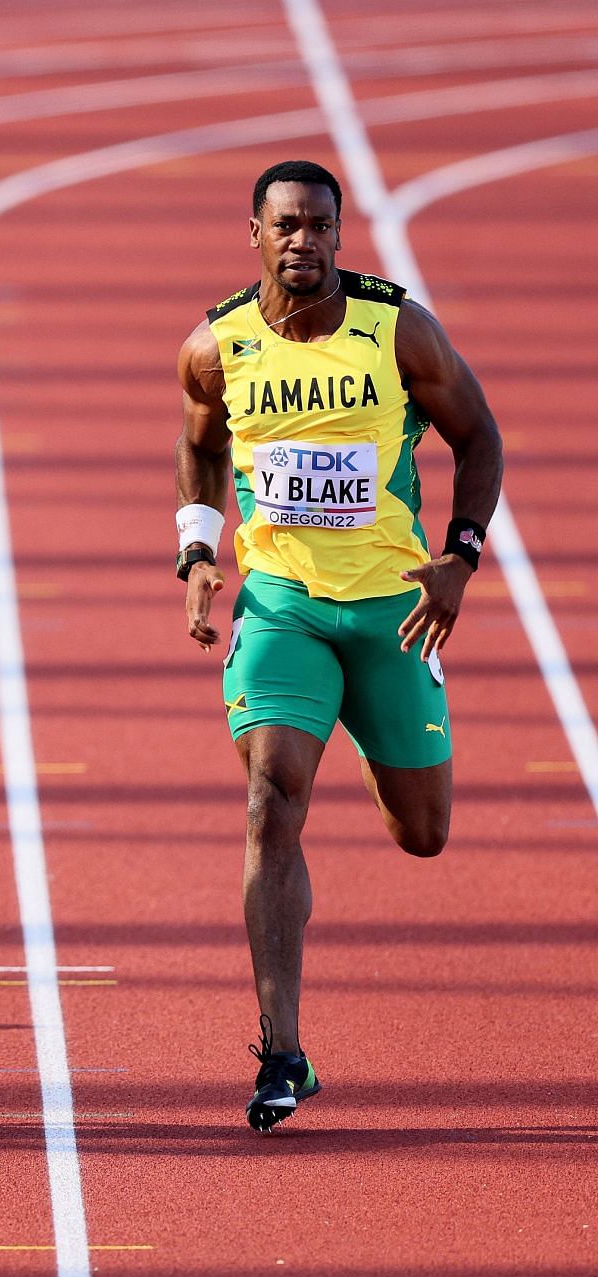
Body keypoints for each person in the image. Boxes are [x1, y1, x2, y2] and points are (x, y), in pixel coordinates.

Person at [175, 160, 502, 1131]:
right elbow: (202, 442)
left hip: (394, 614)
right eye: (285, 226)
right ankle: (282, 1049)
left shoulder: (397, 329)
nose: (302, 242)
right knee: (272, 799)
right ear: (255, 233)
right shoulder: (217, 344)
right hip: (282, 609)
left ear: (339, 234)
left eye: (319, 226)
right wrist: (198, 549)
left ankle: (367, 721)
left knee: (423, 832)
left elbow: (478, 434)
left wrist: (459, 557)